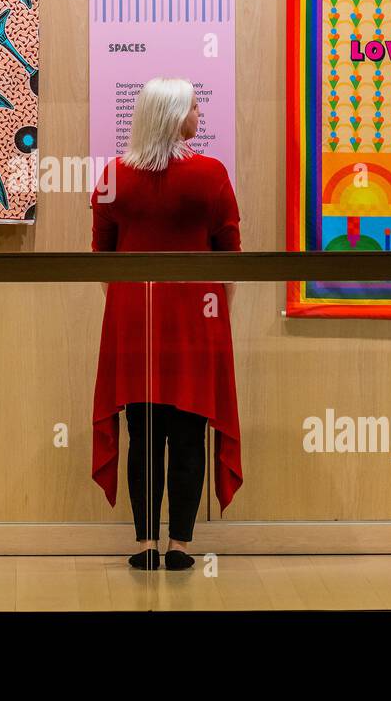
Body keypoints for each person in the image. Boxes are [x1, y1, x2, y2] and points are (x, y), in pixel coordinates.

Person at [90, 77, 243, 572]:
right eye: (195, 106)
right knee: (190, 432)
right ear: (176, 115)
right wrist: (219, 312)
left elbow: (102, 257)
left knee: (143, 433)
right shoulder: (211, 174)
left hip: (135, 321)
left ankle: (144, 544)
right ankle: (180, 544)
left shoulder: (115, 174)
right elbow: (231, 256)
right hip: (198, 321)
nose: (200, 115)